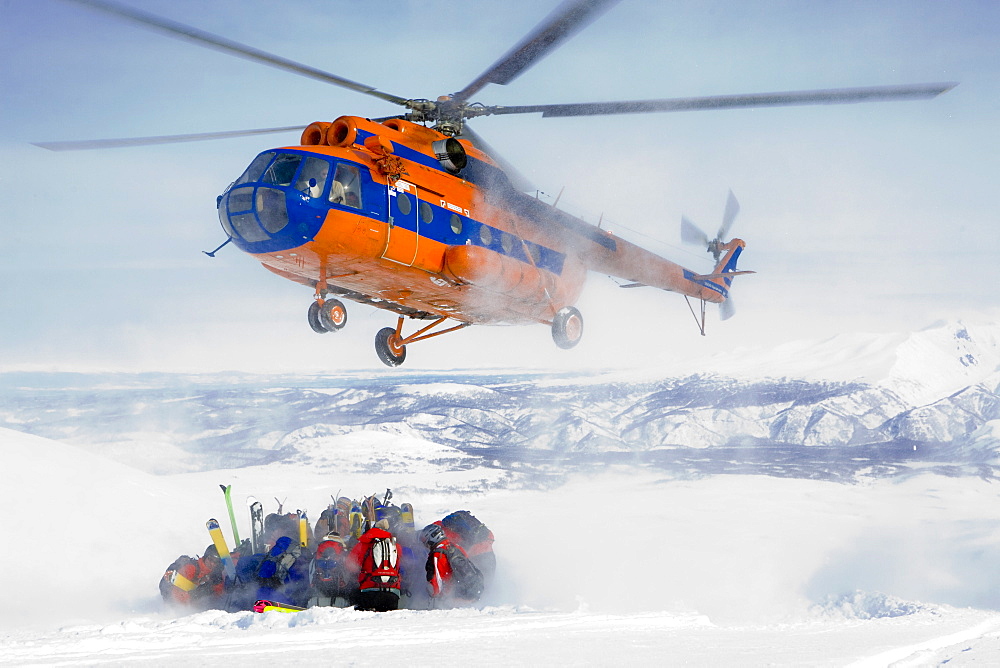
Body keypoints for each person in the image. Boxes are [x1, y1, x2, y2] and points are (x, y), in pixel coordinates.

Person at [420, 523, 484, 607]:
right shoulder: (454, 546)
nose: (425, 544)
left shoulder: (437, 554)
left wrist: (433, 594)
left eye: (425, 540)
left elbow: (437, 582)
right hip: (473, 590)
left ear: (432, 537)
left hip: (457, 596)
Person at [347, 519, 401, 612]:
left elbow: (350, 566)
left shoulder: (363, 544)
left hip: (369, 590)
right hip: (393, 591)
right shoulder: (395, 545)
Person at [159, 544, 225, 609]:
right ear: (205, 557)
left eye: (216, 562)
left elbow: (218, 595)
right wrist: (192, 600)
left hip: (194, 600)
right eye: (210, 559)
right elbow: (176, 591)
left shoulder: (216, 575)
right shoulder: (191, 568)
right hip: (175, 600)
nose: (212, 563)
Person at [308, 533, 352, 607]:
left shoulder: (318, 553)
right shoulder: (343, 554)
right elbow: (349, 572)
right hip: (340, 595)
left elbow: (311, 573)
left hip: (318, 594)